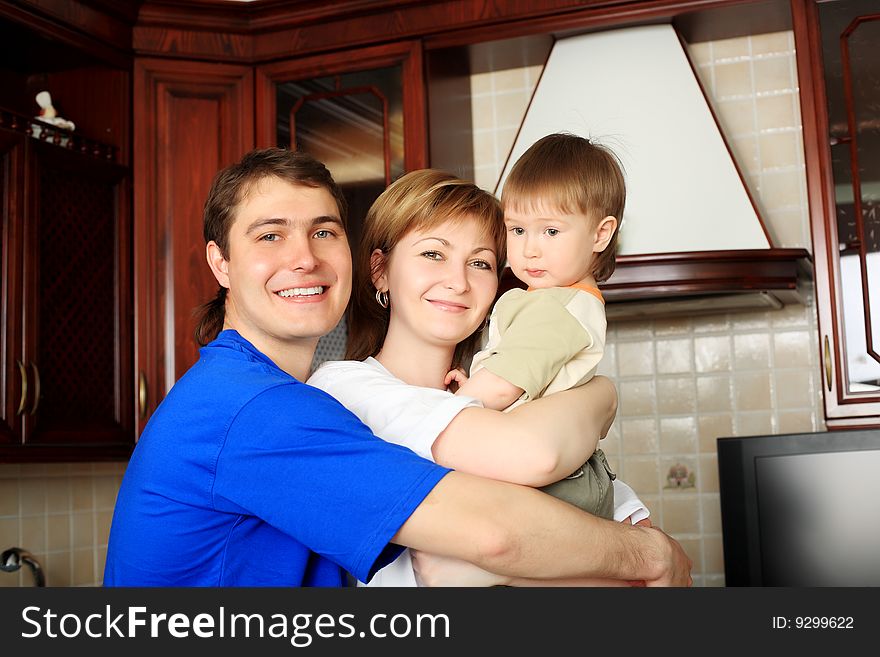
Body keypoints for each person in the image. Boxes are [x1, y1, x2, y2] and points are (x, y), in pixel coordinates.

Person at [103, 147, 691, 587]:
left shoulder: (271, 395)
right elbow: (499, 532)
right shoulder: (263, 409)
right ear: (221, 263)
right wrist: (603, 403)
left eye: (324, 231)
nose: (304, 258)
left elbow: (595, 509)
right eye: (270, 236)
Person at [308, 168, 648, 587]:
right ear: (380, 271)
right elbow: (536, 455)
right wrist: (602, 397)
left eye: (480, 262)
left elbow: (639, 561)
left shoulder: (524, 399)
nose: (458, 281)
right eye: (433, 254)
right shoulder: (339, 391)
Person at [453, 133, 624, 520]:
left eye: (550, 231)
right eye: (517, 230)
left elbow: (500, 387)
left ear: (601, 233)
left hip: (558, 488)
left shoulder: (558, 307)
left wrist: (452, 405)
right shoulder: (559, 300)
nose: (530, 248)